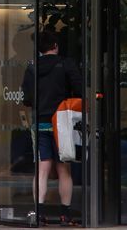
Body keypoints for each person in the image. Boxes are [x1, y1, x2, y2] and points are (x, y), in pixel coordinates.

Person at [21, 31, 83, 226]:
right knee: (64, 169)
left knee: (42, 168)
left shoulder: (32, 68)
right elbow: (80, 90)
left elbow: (27, 99)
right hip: (62, 123)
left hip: (40, 122)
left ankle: (38, 212)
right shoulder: (66, 64)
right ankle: (65, 214)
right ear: (55, 45)